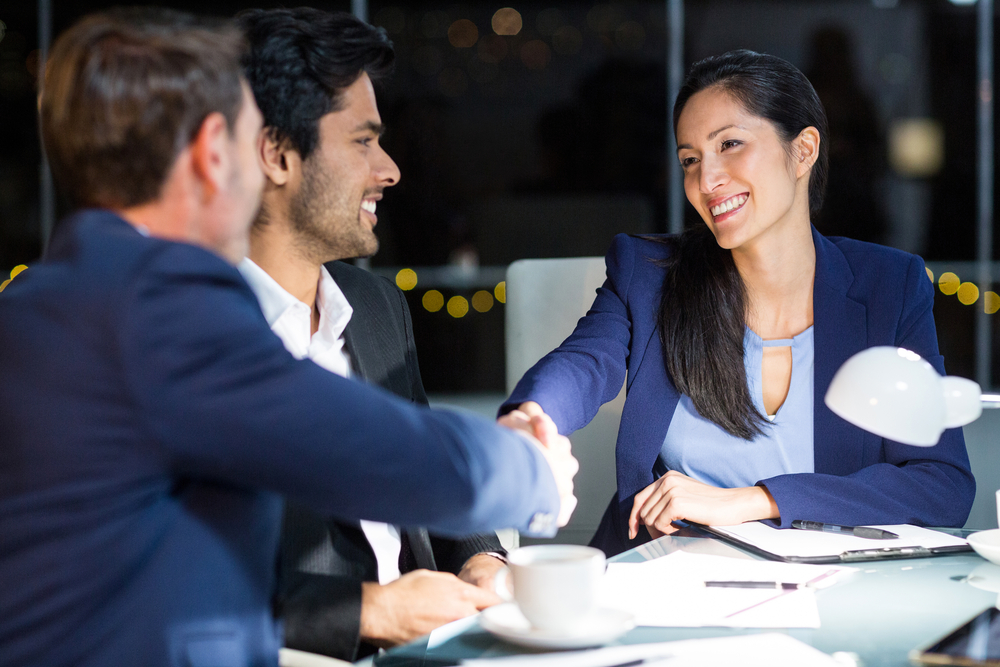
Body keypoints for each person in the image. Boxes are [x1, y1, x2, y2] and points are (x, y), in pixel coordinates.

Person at [0, 9, 577, 667]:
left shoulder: (49, 300)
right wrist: (531, 470)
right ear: (217, 151)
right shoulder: (153, 304)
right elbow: (368, 451)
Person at [502, 49, 974, 558]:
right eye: (690, 160)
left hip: (835, 594)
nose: (707, 181)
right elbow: (583, 364)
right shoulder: (649, 274)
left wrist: (753, 501)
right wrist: (531, 418)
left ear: (804, 149)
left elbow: (941, 485)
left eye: (730, 144)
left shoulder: (889, 284)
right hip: (666, 578)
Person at [236, 8, 508, 660]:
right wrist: (375, 612)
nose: (389, 170)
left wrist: (482, 561)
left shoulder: (376, 307)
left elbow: (432, 480)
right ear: (276, 154)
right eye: (363, 141)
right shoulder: (176, 339)